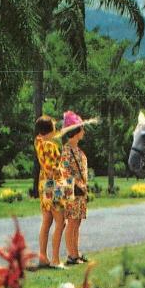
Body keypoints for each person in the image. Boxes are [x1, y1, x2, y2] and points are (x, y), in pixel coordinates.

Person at [33, 115, 67, 269]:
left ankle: (43, 258)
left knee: (46, 221)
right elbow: (51, 169)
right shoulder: (51, 146)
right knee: (61, 222)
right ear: (50, 129)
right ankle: (55, 259)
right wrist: (63, 170)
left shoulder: (38, 141)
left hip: (43, 184)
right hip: (53, 185)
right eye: (54, 126)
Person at [61, 111, 89, 265]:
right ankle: (71, 255)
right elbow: (64, 171)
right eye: (82, 129)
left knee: (77, 222)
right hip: (72, 192)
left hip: (80, 193)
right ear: (76, 131)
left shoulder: (78, 151)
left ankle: (76, 252)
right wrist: (78, 184)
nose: (83, 132)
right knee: (71, 222)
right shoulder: (66, 150)